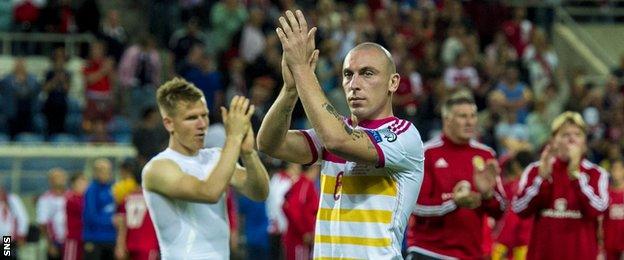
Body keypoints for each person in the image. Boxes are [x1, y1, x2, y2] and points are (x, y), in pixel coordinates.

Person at [259, 10, 424, 259]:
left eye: (367, 73)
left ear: (393, 82)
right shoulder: (333, 131)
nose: (354, 84)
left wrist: (302, 69)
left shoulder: (403, 136)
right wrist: (291, 89)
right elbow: (270, 143)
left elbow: (338, 140)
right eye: (348, 74)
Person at [142, 77, 269, 259]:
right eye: (192, 118)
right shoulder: (157, 168)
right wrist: (233, 138)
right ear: (169, 123)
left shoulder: (217, 157)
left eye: (204, 115)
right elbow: (209, 192)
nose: (202, 125)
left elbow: (259, 193)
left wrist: (248, 154)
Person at [406, 91, 506, 259]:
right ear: (447, 119)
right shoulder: (427, 153)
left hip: (469, 254)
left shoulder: (486, 154)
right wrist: (454, 202)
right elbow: (415, 206)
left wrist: (487, 194)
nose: (470, 122)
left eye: (473, 116)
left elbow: (501, 209)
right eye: (462, 116)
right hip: (428, 251)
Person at [512, 111, 609, 260]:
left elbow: (598, 209)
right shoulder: (536, 169)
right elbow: (519, 208)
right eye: (565, 135)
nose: (572, 139)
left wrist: (576, 176)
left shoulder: (596, 173)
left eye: (577, 134)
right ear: (553, 141)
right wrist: (541, 180)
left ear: (584, 141)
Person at [114, 165, 159, 260]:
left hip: (129, 244)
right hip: (148, 245)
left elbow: (121, 224)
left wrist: (120, 246)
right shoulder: (153, 199)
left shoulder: (126, 198)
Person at [282, 165, 319, 260]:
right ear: (314, 168)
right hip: (298, 239)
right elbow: (291, 208)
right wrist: (305, 232)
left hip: (297, 238)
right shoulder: (305, 184)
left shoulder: (301, 183)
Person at [82, 158, 116, 259]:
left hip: (112, 238)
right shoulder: (91, 190)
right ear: (95, 172)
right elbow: (90, 216)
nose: (105, 173)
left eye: (107, 170)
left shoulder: (114, 188)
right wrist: (111, 221)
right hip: (95, 239)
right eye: (101, 170)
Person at [37, 168, 68, 260]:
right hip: (55, 242)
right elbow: (42, 223)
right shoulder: (45, 199)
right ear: (50, 181)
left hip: (72, 240)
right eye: (57, 177)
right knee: (7, 255)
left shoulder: (72, 196)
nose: (60, 180)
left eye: (62, 177)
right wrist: (49, 244)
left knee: (7, 255)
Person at [64, 173, 88, 260]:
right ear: (73, 184)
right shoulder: (70, 198)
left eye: (85, 183)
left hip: (85, 237)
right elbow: (84, 210)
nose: (84, 186)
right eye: (81, 183)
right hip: (73, 237)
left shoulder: (86, 198)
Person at [0, 184, 29, 259]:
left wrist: (21, 234)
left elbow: (22, 217)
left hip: (7, 239)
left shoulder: (12, 199)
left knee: (7, 257)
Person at [603, 158, 624, 260]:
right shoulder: (605, 193)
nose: (616, 173)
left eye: (619, 169)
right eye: (614, 169)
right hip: (609, 242)